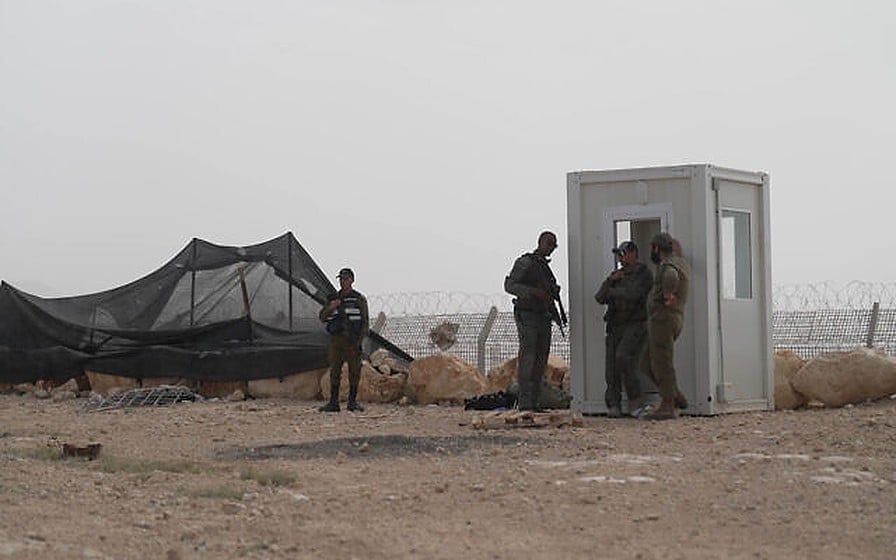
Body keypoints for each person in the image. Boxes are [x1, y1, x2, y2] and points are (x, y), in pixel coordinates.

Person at [504, 231, 563, 411]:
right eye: (548, 244)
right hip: (528, 315)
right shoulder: (526, 263)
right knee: (528, 358)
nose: (551, 248)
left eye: (553, 246)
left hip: (543, 316)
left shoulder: (544, 268)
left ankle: (534, 401)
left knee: (540, 360)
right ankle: (525, 401)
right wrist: (533, 292)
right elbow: (510, 286)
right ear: (540, 242)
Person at [594, 240, 653, 418]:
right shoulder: (616, 275)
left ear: (634, 254)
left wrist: (614, 291)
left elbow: (634, 294)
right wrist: (610, 281)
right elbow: (599, 297)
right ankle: (613, 403)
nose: (621, 258)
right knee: (611, 367)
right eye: (619, 255)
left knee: (624, 358)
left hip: (635, 324)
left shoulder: (643, 273)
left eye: (624, 254)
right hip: (615, 325)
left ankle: (636, 400)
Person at [640, 233, 691, 420]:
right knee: (646, 363)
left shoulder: (668, 265)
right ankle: (675, 395)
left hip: (663, 319)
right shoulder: (681, 262)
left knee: (662, 362)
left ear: (656, 248)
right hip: (671, 319)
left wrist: (668, 293)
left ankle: (668, 404)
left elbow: (670, 276)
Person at [318, 267, 369, 413]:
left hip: (352, 340)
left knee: (354, 371)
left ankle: (352, 402)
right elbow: (322, 317)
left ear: (352, 280)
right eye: (341, 279)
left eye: (345, 279)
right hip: (337, 340)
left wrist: (359, 341)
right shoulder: (334, 298)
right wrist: (331, 307)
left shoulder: (358, 299)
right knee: (335, 371)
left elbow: (365, 322)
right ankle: (334, 403)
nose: (343, 282)